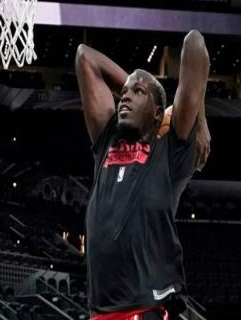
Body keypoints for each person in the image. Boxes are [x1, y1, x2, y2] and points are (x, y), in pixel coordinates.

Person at [75, 30, 211, 320]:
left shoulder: (171, 150)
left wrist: (199, 117)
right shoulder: (107, 140)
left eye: (137, 93)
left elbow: (194, 44)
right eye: (123, 93)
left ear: (159, 113)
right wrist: (136, 87)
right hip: (101, 311)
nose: (124, 97)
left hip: (147, 307)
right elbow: (85, 57)